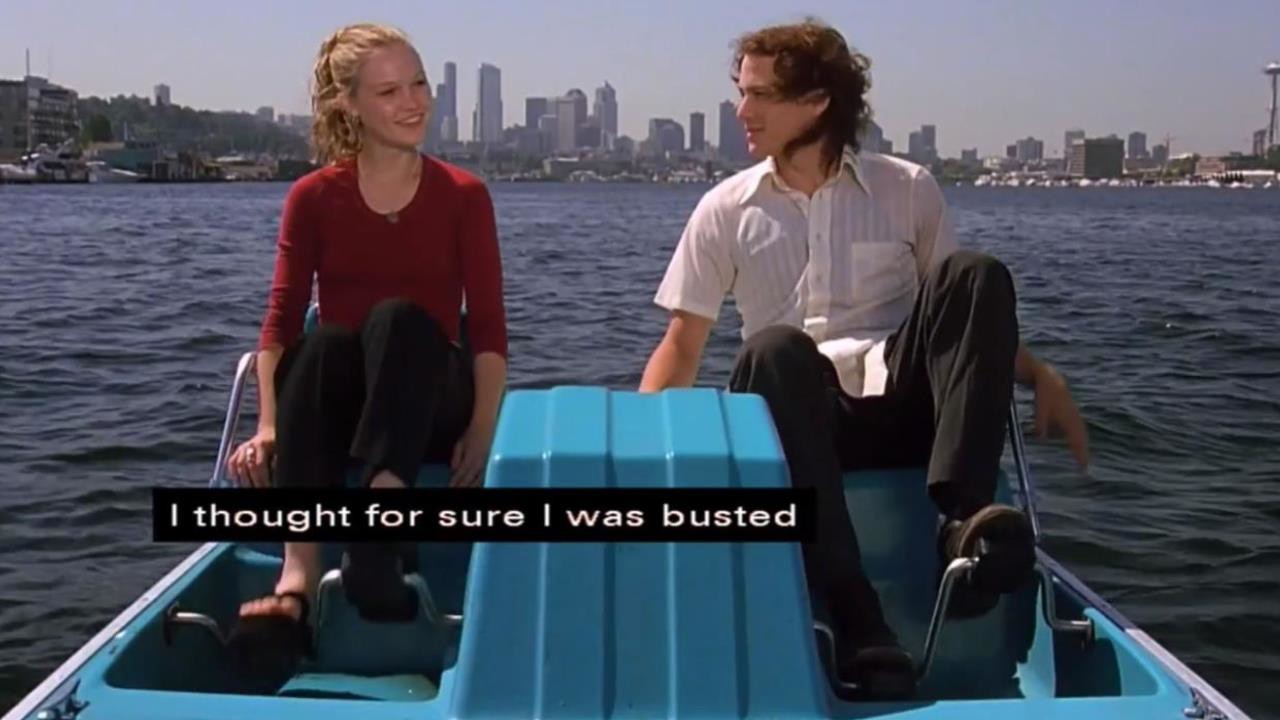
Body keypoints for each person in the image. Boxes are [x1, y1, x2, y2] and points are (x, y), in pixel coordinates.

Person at [638, 20, 1088, 700]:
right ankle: (855, 614)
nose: (741, 111)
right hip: (799, 423)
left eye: (760, 95)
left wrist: (1040, 374)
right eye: (739, 91)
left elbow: (963, 318)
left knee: (975, 271)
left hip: (905, 411)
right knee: (774, 349)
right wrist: (633, 454)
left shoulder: (908, 187)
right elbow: (682, 345)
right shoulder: (725, 209)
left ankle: (964, 523)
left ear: (817, 102)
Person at [221, 22, 508, 684]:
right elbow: (281, 321)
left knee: (399, 319)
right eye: (389, 91)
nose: (414, 103)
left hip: (432, 396)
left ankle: (381, 521)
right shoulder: (314, 196)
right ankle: (298, 580)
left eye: (419, 84)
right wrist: (269, 425)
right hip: (347, 402)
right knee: (323, 343)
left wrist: (483, 425)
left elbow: (490, 329)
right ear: (348, 104)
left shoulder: (463, 196)